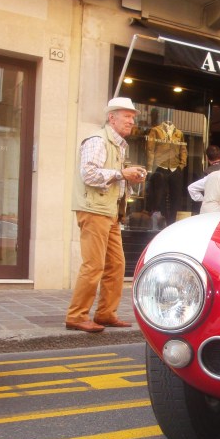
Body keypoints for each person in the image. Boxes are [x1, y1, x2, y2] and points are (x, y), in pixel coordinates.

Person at [65, 97, 147, 333]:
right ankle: (77, 315)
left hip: (110, 212)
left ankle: (106, 313)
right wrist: (122, 173)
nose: (131, 121)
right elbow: (88, 174)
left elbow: (114, 179)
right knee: (93, 265)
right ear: (112, 117)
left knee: (117, 265)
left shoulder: (119, 145)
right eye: (127, 116)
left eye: (132, 117)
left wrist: (130, 179)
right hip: (94, 210)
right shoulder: (97, 140)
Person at [146, 118, 188, 224]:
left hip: (175, 167)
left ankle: (173, 222)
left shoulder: (179, 133)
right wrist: (150, 167)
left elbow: (183, 149)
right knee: (160, 195)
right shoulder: (156, 130)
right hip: (160, 166)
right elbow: (150, 149)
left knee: (176, 196)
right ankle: (162, 220)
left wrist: (182, 165)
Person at [187, 145, 220, 210]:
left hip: (212, 209)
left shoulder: (207, 172)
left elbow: (195, 189)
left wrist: (204, 200)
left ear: (206, 158)